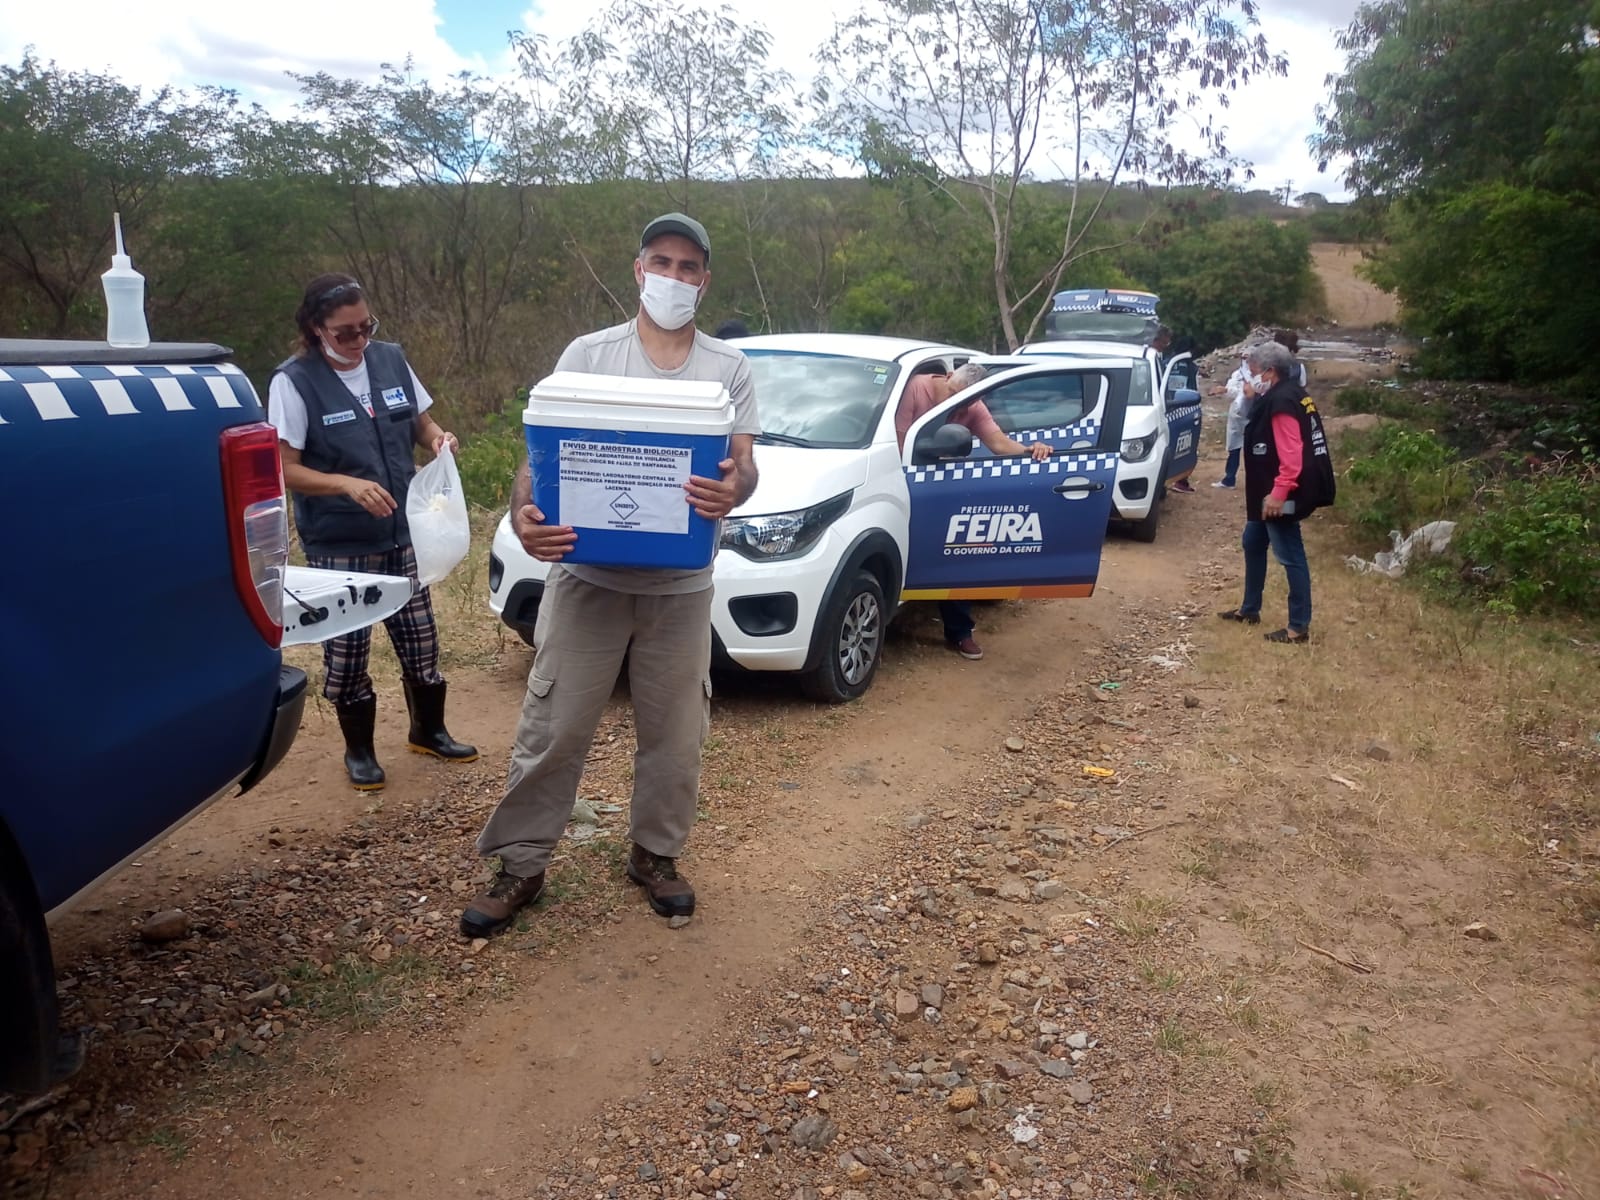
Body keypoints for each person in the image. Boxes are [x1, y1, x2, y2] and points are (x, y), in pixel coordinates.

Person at [462, 213, 760, 937]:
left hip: (681, 590)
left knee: (676, 730)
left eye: (689, 268)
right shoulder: (588, 357)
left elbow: (744, 466)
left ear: (705, 281)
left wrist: (735, 490)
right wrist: (525, 514)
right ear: (638, 269)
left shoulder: (730, 368)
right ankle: (522, 864)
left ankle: (655, 856)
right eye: (663, 262)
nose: (675, 278)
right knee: (554, 724)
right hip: (588, 581)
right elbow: (536, 468)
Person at [268, 275, 477, 792]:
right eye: (345, 333)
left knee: (421, 639)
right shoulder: (293, 382)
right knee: (348, 651)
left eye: (366, 327)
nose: (359, 340)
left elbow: (420, 423)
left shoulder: (390, 359)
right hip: (340, 545)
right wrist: (343, 484)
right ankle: (359, 751)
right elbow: (282, 465)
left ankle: (429, 730)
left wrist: (438, 439)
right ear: (316, 329)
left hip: (405, 532)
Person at [893, 362, 1054, 661]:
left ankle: (960, 632)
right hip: (899, 477)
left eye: (964, 401)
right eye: (952, 394)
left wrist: (1032, 451)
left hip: (940, 487)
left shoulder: (973, 405)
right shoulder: (915, 387)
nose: (954, 404)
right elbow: (899, 440)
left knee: (954, 555)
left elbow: (998, 443)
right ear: (949, 376)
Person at [1216, 340, 1336, 644]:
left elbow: (1292, 453)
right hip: (1265, 491)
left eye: (1255, 370)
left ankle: (1298, 626)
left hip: (1281, 492)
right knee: (1252, 541)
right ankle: (1250, 609)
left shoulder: (1282, 402)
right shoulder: (1291, 394)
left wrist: (1279, 493)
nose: (1252, 376)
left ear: (1271, 371)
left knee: (1290, 553)